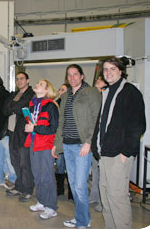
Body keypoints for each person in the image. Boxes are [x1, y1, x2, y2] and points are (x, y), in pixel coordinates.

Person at [91, 58, 146, 229]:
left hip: (119, 155)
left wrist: (126, 153)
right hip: (104, 153)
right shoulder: (107, 91)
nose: (108, 72)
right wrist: (95, 146)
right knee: (106, 197)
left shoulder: (130, 92)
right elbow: (102, 122)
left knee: (117, 198)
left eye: (112, 69)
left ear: (121, 71)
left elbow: (138, 125)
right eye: (105, 69)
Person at [52, 64, 101, 228]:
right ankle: (81, 217)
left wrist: (88, 141)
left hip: (82, 145)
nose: (72, 78)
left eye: (75, 74)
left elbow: (96, 119)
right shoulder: (66, 95)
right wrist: (56, 145)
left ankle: (83, 221)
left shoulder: (91, 92)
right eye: (69, 75)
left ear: (81, 76)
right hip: (67, 145)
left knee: (80, 186)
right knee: (73, 185)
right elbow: (61, 123)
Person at [25, 79, 59, 220]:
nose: (37, 84)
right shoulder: (32, 104)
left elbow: (53, 128)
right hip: (34, 143)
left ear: (46, 91)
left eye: (41, 84)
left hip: (46, 145)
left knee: (47, 177)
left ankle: (51, 207)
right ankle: (41, 201)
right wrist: (29, 128)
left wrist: (35, 128)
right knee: (37, 175)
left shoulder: (51, 106)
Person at [3, 72, 35, 202]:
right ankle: (19, 186)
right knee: (14, 161)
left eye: (22, 79)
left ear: (28, 80)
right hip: (11, 132)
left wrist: (13, 107)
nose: (19, 81)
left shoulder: (30, 94)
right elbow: (5, 110)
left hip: (23, 133)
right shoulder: (13, 94)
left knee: (24, 163)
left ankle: (27, 190)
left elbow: (19, 107)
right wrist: (13, 107)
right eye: (17, 79)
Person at [89, 75, 107, 212]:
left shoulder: (106, 97)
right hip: (94, 141)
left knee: (102, 174)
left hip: (104, 143)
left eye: (100, 81)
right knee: (95, 171)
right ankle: (94, 196)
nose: (97, 82)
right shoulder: (94, 97)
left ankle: (103, 201)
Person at [54, 83, 73, 199]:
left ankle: (72, 192)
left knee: (71, 168)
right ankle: (59, 189)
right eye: (60, 89)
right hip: (59, 139)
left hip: (70, 139)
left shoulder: (71, 103)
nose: (60, 92)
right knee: (60, 165)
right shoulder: (55, 104)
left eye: (63, 90)